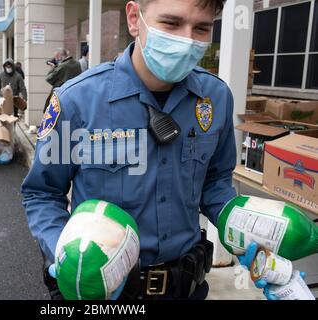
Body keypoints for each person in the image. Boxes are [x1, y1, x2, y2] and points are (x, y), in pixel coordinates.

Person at [22, 0, 282, 301]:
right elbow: (42, 193)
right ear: (135, 19)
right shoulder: (76, 101)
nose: (187, 40)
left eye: (201, 28)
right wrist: (65, 255)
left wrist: (254, 232)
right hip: (104, 293)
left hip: (187, 288)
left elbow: (215, 184)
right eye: (171, 23)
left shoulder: (215, 98)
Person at [43, 48, 82, 113]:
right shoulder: (77, 64)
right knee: (70, 116)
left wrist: (53, 67)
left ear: (60, 56)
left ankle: (65, 124)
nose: (56, 59)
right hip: (75, 96)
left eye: (56, 57)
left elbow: (49, 78)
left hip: (62, 97)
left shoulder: (62, 66)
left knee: (64, 117)